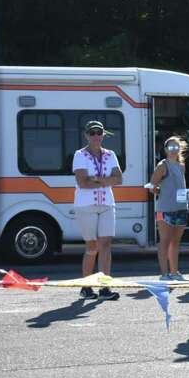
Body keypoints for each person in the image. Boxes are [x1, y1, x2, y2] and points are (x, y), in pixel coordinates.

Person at [72, 120, 122, 300]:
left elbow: (119, 179)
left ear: (103, 135)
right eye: (92, 133)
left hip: (107, 203)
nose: (96, 136)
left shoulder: (110, 154)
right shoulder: (80, 155)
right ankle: (86, 286)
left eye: (99, 132)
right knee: (92, 246)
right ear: (86, 135)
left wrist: (97, 179)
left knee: (106, 245)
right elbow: (82, 183)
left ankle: (105, 287)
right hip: (86, 205)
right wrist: (106, 180)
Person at [149, 136, 189, 280]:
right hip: (164, 209)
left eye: (176, 147)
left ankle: (174, 272)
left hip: (181, 207)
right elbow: (151, 186)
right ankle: (164, 274)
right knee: (165, 240)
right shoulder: (162, 165)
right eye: (171, 148)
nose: (174, 150)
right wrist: (159, 190)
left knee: (175, 241)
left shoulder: (181, 166)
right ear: (166, 150)